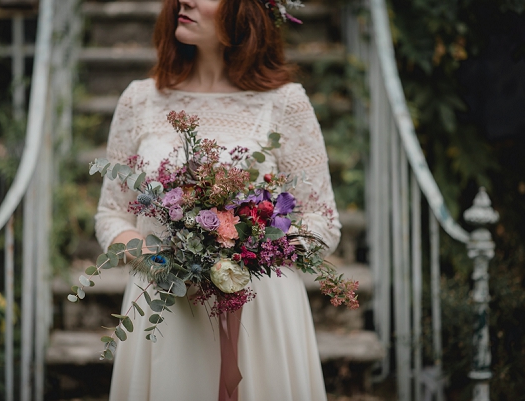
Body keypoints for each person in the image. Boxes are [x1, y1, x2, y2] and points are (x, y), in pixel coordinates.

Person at [94, 0, 341, 400]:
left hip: (259, 315)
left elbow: (323, 221)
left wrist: (246, 252)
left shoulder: (284, 103)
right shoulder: (140, 99)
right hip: (167, 310)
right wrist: (161, 260)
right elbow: (111, 215)